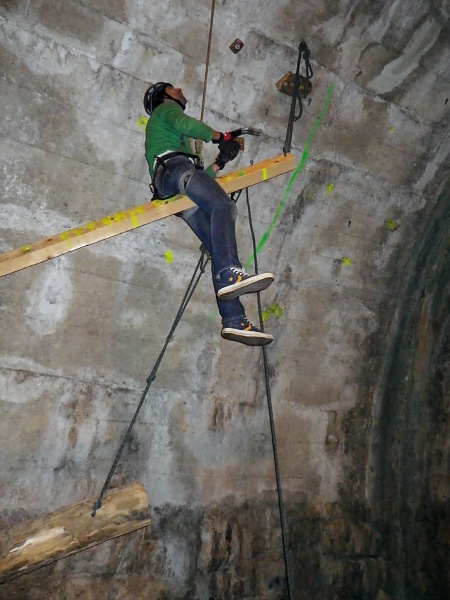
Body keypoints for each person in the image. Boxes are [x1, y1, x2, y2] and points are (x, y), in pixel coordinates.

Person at [143, 82, 274, 346]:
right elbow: (187, 125)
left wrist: (220, 162)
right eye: (173, 88)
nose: (180, 89)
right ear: (164, 96)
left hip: (173, 186)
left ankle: (234, 319)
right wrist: (219, 136)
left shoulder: (171, 138)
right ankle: (230, 274)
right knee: (223, 206)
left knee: (218, 245)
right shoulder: (165, 110)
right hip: (173, 169)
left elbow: (200, 183)